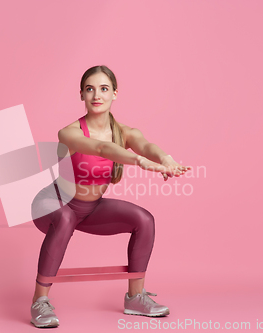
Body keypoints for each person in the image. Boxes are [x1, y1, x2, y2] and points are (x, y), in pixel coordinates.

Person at [30, 65, 191, 328]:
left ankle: (135, 297)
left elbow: (146, 145)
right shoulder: (69, 133)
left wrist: (166, 159)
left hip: (89, 209)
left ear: (115, 93)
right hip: (52, 205)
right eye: (90, 89)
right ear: (81, 94)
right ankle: (39, 302)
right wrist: (140, 162)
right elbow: (101, 148)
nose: (97, 95)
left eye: (104, 89)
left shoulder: (125, 132)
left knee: (144, 220)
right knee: (65, 217)